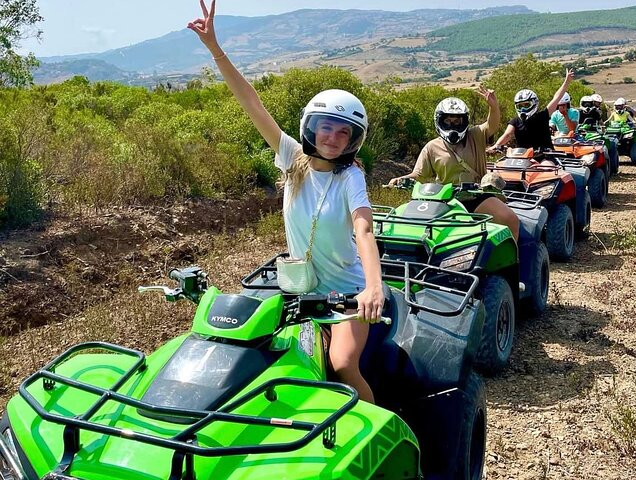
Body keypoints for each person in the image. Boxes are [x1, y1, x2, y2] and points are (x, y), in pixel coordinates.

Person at [188, 0, 383, 403]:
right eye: (326, 127)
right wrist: (215, 49)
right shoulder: (291, 159)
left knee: (343, 363)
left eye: (343, 132)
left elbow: (363, 229)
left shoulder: (351, 177)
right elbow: (252, 104)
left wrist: (373, 288)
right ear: (311, 127)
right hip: (298, 292)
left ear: (353, 140)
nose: (332, 137)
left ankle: (376, 429)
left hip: (347, 295)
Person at [388, 90, 520, 241]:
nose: (453, 125)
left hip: (477, 196)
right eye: (448, 121)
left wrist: (493, 107)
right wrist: (401, 179)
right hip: (445, 201)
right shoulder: (432, 147)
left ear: (465, 121)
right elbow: (418, 174)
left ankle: (514, 264)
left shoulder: (475, 135)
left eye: (457, 121)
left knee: (510, 219)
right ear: (439, 121)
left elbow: (492, 125)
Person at [488, 68, 575, 153]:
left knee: (546, 167)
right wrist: (496, 146)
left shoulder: (542, 116)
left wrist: (567, 81)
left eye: (526, 105)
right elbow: (507, 135)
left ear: (534, 103)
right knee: (502, 166)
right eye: (519, 106)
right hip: (523, 159)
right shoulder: (515, 121)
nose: (522, 109)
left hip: (544, 157)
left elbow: (556, 98)